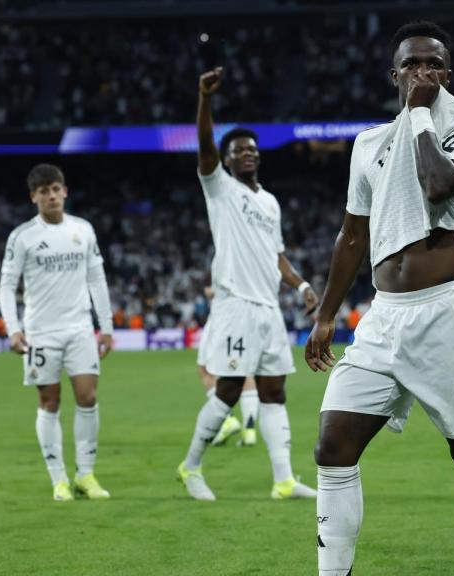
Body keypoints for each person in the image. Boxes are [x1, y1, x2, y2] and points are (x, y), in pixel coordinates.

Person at [304, 21, 454, 576]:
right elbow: (353, 234)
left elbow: (438, 184)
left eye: (433, 64)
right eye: (412, 64)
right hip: (383, 317)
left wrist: (422, 112)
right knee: (333, 445)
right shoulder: (368, 142)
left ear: (446, 73)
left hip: (447, 311)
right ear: (393, 73)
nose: (423, 72)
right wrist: (327, 315)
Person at [176, 66, 320, 502]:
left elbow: (277, 256)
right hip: (236, 304)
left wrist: (301, 287)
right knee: (230, 389)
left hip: (268, 309)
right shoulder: (219, 189)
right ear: (226, 160)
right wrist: (204, 98)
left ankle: (283, 480)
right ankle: (191, 466)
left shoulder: (270, 202)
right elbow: (204, 145)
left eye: (252, 149)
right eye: (239, 150)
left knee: (275, 390)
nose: (248, 154)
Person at [0, 163, 114, 501]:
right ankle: (58, 479)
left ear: (65, 191)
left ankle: (86, 475)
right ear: (33, 196)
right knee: (49, 402)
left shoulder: (83, 230)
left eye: (55, 189)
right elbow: (7, 286)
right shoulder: (22, 237)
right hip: (41, 333)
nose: (51, 196)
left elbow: (97, 279)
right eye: (43, 191)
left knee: (88, 397)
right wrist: (13, 330)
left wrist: (105, 327)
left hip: (80, 329)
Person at [196, 285, 259, 447]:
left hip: (223, 318)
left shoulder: (230, 261)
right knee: (244, 370)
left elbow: (230, 288)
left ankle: (228, 419)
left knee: (206, 368)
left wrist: (211, 292)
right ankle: (249, 429)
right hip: (247, 318)